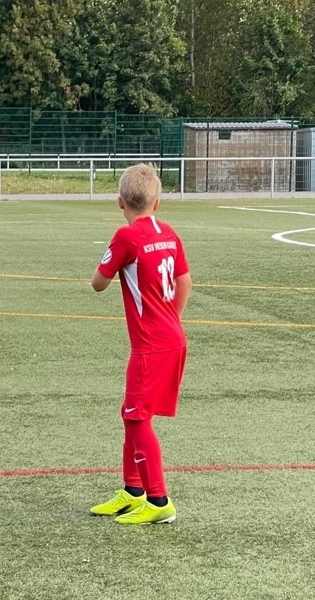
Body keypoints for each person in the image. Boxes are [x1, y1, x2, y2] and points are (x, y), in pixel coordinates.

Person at [89, 163, 191, 525]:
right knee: (132, 413)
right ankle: (133, 492)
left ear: (120, 202)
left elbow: (98, 283)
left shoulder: (127, 236)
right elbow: (185, 281)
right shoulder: (169, 233)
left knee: (136, 418)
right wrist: (171, 318)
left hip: (151, 345)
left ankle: (159, 500)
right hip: (171, 337)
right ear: (157, 202)